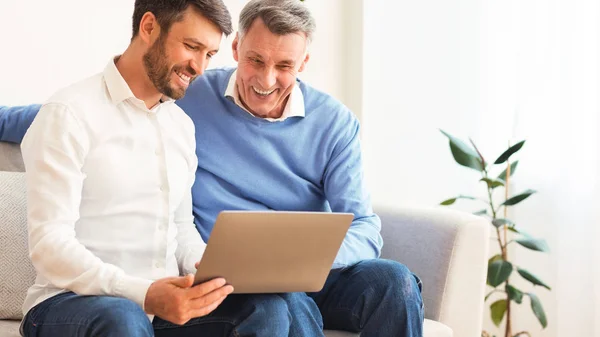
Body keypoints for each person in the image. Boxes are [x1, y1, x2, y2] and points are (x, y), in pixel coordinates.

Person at [1, 0, 424, 336]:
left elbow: (365, 227)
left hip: (303, 272)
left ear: (304, 63)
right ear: (238, 49)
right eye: (255, 60)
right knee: (263, 305)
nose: (267, 79)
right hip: (114, 294)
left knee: (382, 285)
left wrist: (290, 265)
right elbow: (71, 114)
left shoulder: (330, 123)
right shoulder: (183, 92)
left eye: (285, 66)